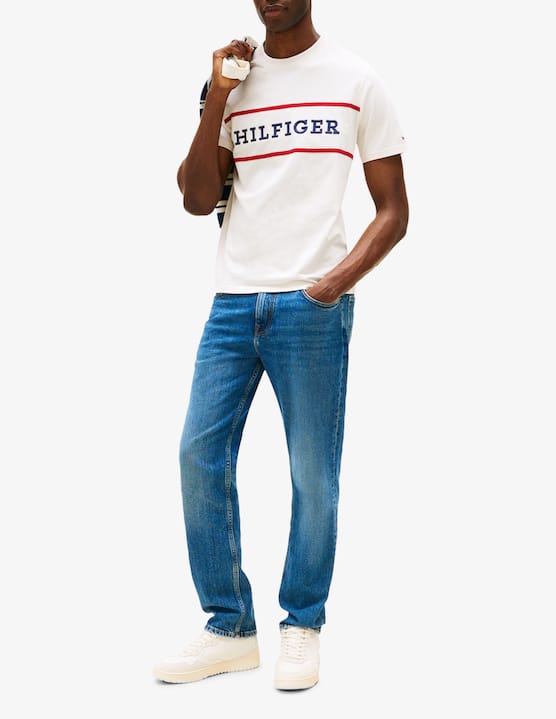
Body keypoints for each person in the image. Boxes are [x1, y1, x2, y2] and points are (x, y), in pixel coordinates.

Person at [153, 0, 408, 691]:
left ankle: (302, 623)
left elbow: (394, 211)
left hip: (311, 307)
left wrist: (331, 286)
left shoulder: (357, 80)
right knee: (198, 455)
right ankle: (229, 626)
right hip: (232, 303)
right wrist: (218, 97)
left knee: (312, 473)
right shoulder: (233, 83)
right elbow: (196, 198)